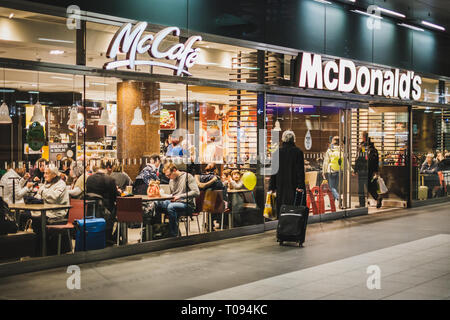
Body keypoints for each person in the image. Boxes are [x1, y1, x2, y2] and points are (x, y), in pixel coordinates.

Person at [27, 165, 71, 255]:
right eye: (44, 173)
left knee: (38, 220)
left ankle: (44, 250)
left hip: (57, 213)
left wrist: (42, 193)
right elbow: (38, 196)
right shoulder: (46, 183)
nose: (44, 175)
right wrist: (38, 197)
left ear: (54, 175)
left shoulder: (61, 184)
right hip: (46, 211)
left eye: (47, 173)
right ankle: (37, 249)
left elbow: (53, 197)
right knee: (27, 215)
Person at [155, 163, 200, 237]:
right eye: (167, 176)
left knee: (171, 207)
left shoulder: (188, 177)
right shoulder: (171, 180)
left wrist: (180, 196)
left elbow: (196, 192)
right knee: (156, 203)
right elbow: (173, 195)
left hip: (187, 204)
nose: (168, 177)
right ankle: (157, 230)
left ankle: (174, 234)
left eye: (169, 175)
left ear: (175, 170)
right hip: (175, 202)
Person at [269, 130, 306, 216]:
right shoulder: (298, 152)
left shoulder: (276, 153)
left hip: (280, 185)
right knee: (294, 208)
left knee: (282, 208)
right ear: (294, 139)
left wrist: (271, 186)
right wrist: (300, 185)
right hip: (293, 185)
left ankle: (283, 224)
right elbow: (300, 171)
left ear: (283, 139)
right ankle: (292, 224)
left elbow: (273, 172)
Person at [354, 131, 382, 208]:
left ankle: (362, 203)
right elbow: (376, 160)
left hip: (362, 170)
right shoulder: (372, 147)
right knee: (369, 186)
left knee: (361, 187)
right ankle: (377, 197)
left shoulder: (363, 147)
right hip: (370, 170)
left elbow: (359, 158)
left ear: (363, 137)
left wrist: (355, 169)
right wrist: (376, 170)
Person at [322, 136, 342, 205]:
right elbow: (346, 161)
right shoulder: (341, 150)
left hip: (332, 171)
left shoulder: (330, 150)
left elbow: (326, 162)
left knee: (332, 188)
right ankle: (332, 203)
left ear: (333, 142)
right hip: (339, 171)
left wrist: (323, 171)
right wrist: (350, 169)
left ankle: (338, 197)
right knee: (335, 187)